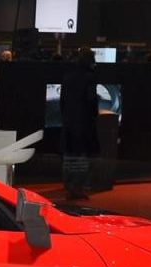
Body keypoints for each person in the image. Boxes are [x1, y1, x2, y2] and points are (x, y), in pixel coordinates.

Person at [60, 48, 99, 200]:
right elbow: (91, 101)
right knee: (83, 156)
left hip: (69, 121)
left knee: (69, 154)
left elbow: (62, 101)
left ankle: (68, 184)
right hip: (84, 122)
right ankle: (77, 187)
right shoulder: (89, 78)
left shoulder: (68, 76)